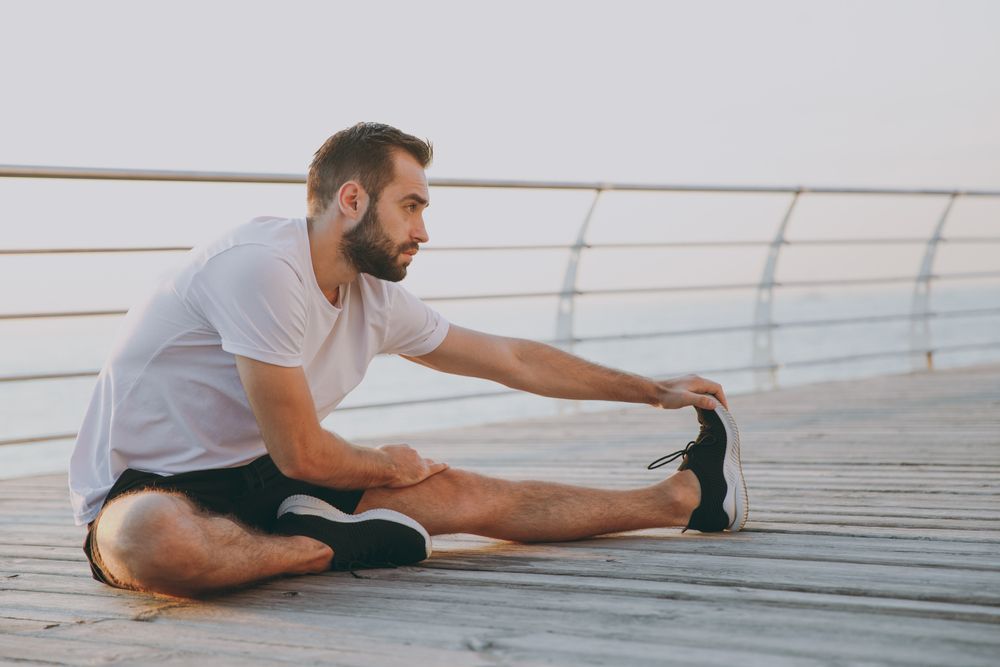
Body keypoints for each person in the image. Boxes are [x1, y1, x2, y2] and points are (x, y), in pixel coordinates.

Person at [69, 122, 748, 598]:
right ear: (353, 199)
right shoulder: (261, 268)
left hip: (271, 479)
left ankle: (686, 496)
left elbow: (511, 358)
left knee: (471, 494)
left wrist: (651, 389)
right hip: (151, 485)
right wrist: (390, 465)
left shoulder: (376, 295)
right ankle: (322, 546)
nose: (424, 230)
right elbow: (304, 451)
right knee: (155, 541)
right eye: (411, 205)